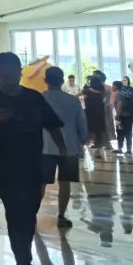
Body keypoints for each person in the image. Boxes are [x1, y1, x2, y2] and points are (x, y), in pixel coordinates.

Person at [0, 52, 65, 265]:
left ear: (19, 71)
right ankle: (23, 262)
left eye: (11, 71)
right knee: (15, 212)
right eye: (2, 73)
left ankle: (23, 255)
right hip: (5, 167)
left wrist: (63, 151)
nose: (7, 77)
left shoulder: (33, 98)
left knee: (29, 213)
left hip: (34, 164)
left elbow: (52, 125)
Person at [42, 66, 88, 228]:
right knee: (65, 183)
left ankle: (32, 214)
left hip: (44, 148)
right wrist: (81, 141)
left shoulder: (39, 99)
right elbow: (82, 124)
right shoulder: (73, 101)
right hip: (70, 148)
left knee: (40, 183)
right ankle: (61, 216)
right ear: (62, 81)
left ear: (45, 80)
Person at [82, 75, 109, 151]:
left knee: (88, 129)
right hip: (100, 112)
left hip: (89, 113)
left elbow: (75, 96)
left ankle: (83, 147)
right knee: (99, 130)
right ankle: (99, 148)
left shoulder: (87, 91)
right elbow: (104, 100)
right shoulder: (102, 91)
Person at [113, 78, 133, 155]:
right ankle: (128, 149)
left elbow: (119, 104)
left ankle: (120, 148)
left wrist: (117, 116)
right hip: (129, 115)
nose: (112, 87)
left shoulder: (118, 93)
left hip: (122, 116)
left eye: (113, 85)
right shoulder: (127, 92)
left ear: (116, 86)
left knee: (120, 132)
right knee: (128, 131)